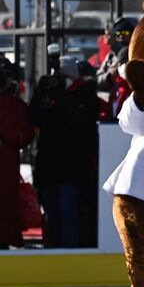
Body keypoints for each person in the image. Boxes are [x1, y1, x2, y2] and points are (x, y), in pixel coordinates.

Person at [28, 56, 99, 248]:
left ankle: (70, 255)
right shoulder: (48, 93)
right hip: (49, 166)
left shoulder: (85, 94)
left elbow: (79, 119)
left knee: (68, 213)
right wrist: (40, 92)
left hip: (72, 169)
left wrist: (60, 94)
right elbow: (34, 117)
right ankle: (52, 251)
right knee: (51, 215)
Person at [0, 57, 34, 248]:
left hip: (6, 172)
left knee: (6, 211)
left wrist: (3, 129)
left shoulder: (16, 106)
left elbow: (24, 137)